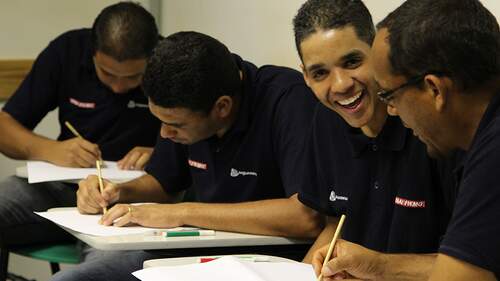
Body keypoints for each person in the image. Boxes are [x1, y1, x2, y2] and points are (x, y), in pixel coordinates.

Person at [51, 31, 323, 281]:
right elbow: (163, 183)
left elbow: (305, 217)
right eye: (158, 120)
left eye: (176, 125)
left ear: (222, 107)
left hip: (267, 259)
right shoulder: (182, 98)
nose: (165, 134)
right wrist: (116, 192)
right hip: (193, 250)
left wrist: (181, 213)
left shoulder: (288, 101)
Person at [315, 0, 500, 280]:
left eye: (389, 96)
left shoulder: (493, 155)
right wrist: (379, 266)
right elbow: (471, 263)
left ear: (434, 89)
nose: (391, 110)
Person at [292, 0, 454, 264]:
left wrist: (377, 269)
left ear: (378, 53)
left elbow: (473, 265)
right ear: (306, 77)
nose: (341, 85)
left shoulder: (428, 122)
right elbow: (336, 225)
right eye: (320, 73)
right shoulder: (325, 120)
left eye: (352, 61)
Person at [0, 1, 160, 266]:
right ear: (92, 52)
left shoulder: (169, 64)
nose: (119, 87)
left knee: (103, 268)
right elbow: (5, 126)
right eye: (107, 74)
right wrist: (49, 149)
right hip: (58, 186)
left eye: (133, 78)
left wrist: (164, 153)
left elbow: (203, 139)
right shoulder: (68, 51)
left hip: (135, 197)